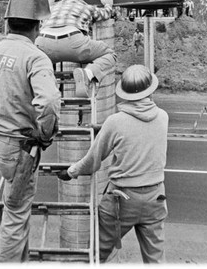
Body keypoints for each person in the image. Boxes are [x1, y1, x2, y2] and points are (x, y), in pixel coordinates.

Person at [0, 0, 61, 262]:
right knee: (15, 211)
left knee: (17, 204)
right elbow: (48, 102)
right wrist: (45, 134)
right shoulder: (35, 57)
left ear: (7, 22)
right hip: (17, 147)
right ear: (38, 25)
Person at [58, 64, 169, 263]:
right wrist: (106, 128)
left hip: (122, 200)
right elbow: (138, 129)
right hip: (156, 197)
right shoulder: (163, 117)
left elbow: (92, 161)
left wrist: (71, 171)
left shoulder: (115, 122)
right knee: (155, 260)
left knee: (98, 254)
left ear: (124, 93)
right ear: (150, 90)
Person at [36, 0, 116, 98]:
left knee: (31, 61)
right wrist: (108, 5)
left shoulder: (51, 8)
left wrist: (49, 4)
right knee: (110, 53)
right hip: (73, 43)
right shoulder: (86, 7)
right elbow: (105, 14)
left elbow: (41, 16)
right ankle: (87, 74)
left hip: (43, 42)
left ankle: (38, 82)